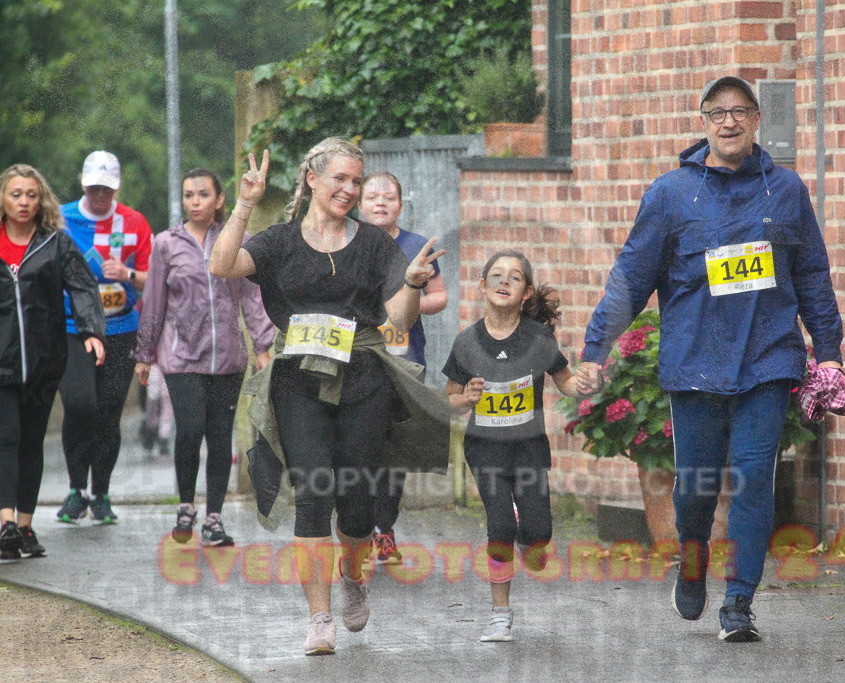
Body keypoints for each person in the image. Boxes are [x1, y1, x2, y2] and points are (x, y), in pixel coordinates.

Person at [576, 76, 844, 642]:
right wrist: (596, 350)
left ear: (755, 121)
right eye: (717, 112)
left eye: (740, 112)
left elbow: (813, 276)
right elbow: (631, 277)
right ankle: (692, 559)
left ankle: (740, 604)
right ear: (702, 121)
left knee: (753, 481)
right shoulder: (672, 194)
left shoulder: (787, 190)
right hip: (694, 364)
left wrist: (831, 353)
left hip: (768, 361)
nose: (729, 122)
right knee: (694, 489)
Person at [209, 139, 448, 656]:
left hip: (364, 379)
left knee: (356, 504)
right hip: (298, 380)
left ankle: (353, 575)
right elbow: (222, 266)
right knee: (314, 494)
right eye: (340, 179)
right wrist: (245, 202)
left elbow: (400, 321)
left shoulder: (375, 246)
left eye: (356, 182)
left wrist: (409, 283)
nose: (349, 190)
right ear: (313, 179)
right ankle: (319, 617)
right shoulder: (279, 241)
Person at [444, 249, 594, 643]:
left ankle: (531, 542)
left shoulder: (538, 339)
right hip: (485, 448)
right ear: (482, 285)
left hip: (528, 447)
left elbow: (565, 380)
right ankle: (499, 614)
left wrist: (586, 385)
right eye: (495, 275)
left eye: (514, 277)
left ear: (526, 292)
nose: (503, 281)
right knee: (500, 524)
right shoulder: (467, 343)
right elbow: (450, 401)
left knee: (539, 531)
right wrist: (468, 398)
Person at [134, 168, 274, 547]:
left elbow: (252, 298)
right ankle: (185, 506)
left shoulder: (237, 240)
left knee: (219, 436)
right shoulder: (166, 244)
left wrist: (262, 346)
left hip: (228, 357)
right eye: (188, 195)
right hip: (180, 356)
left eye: (202, 195)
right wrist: (145, 353)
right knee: (190, 430)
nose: (194, 202)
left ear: (219, 200)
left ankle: (214, 518)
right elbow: (154, 302)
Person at [0, 164, 106, 559]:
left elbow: (82, 287)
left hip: (45, 360)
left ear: (40, 199)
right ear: (4, 198)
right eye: (16, 194)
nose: (24, 202)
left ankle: (25, 526)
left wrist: (92, 331)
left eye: (31, 194)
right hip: (2, 361)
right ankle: (5, 523)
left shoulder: (56, 244)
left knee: (30, 442)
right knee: (5, 438)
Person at [57, 150, 153, 525]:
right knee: (80, 404)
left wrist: (127, 274)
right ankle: (75, 490)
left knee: (109, 410)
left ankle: (100, 494)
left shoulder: (134, 222)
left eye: (107, 190)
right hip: (73, 328)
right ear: (83, 184)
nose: (100, 196)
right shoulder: (62, 219)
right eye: (94, 188)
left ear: (117, 188)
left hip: (119, 326)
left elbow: (154, 278)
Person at [358, 171, 448, 564]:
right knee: (358, 446)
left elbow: (440, 297)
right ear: (360, 203)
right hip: (357, 357)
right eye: (373, 197)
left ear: (400, 203)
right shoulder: (347, 242)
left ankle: (384, 529)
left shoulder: (417, 246)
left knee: (393, 449)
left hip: (406, 361)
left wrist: (403, 307)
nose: (380, 203)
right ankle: (357, 527)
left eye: (388, 197)